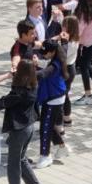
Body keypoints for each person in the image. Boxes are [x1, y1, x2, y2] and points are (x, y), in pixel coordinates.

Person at [0, 60, 46, 184]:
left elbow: (3, 102)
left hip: (19, 130)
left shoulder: (20, 92)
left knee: (13, 162)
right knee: (21, 158)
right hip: (29, 127)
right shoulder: (32, 85)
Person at [34, 41, 70, 169]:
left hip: (53, 99)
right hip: (55, 97)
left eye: (45, 53)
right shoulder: (56, 59)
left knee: (45, 128)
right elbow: (45, 66)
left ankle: (45, 155)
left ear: (53, 52)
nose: (44, 55)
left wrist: (27, 73)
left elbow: (44, 73)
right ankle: (62, 147)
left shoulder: (55, 64)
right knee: (47, 124)